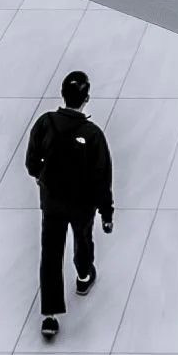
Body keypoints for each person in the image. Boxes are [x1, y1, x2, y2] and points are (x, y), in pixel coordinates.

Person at [25, 69, 114, 340]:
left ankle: (50, 316)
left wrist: (44, 179)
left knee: (50, 254)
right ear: (87, 98)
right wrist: (106, 212)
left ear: (62, 94)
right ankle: (84, 276)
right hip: (82, 204)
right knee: (83, 238)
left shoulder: (45, 123)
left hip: (51, 203)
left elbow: (31, 163)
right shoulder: (92, 134)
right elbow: (102, 176)